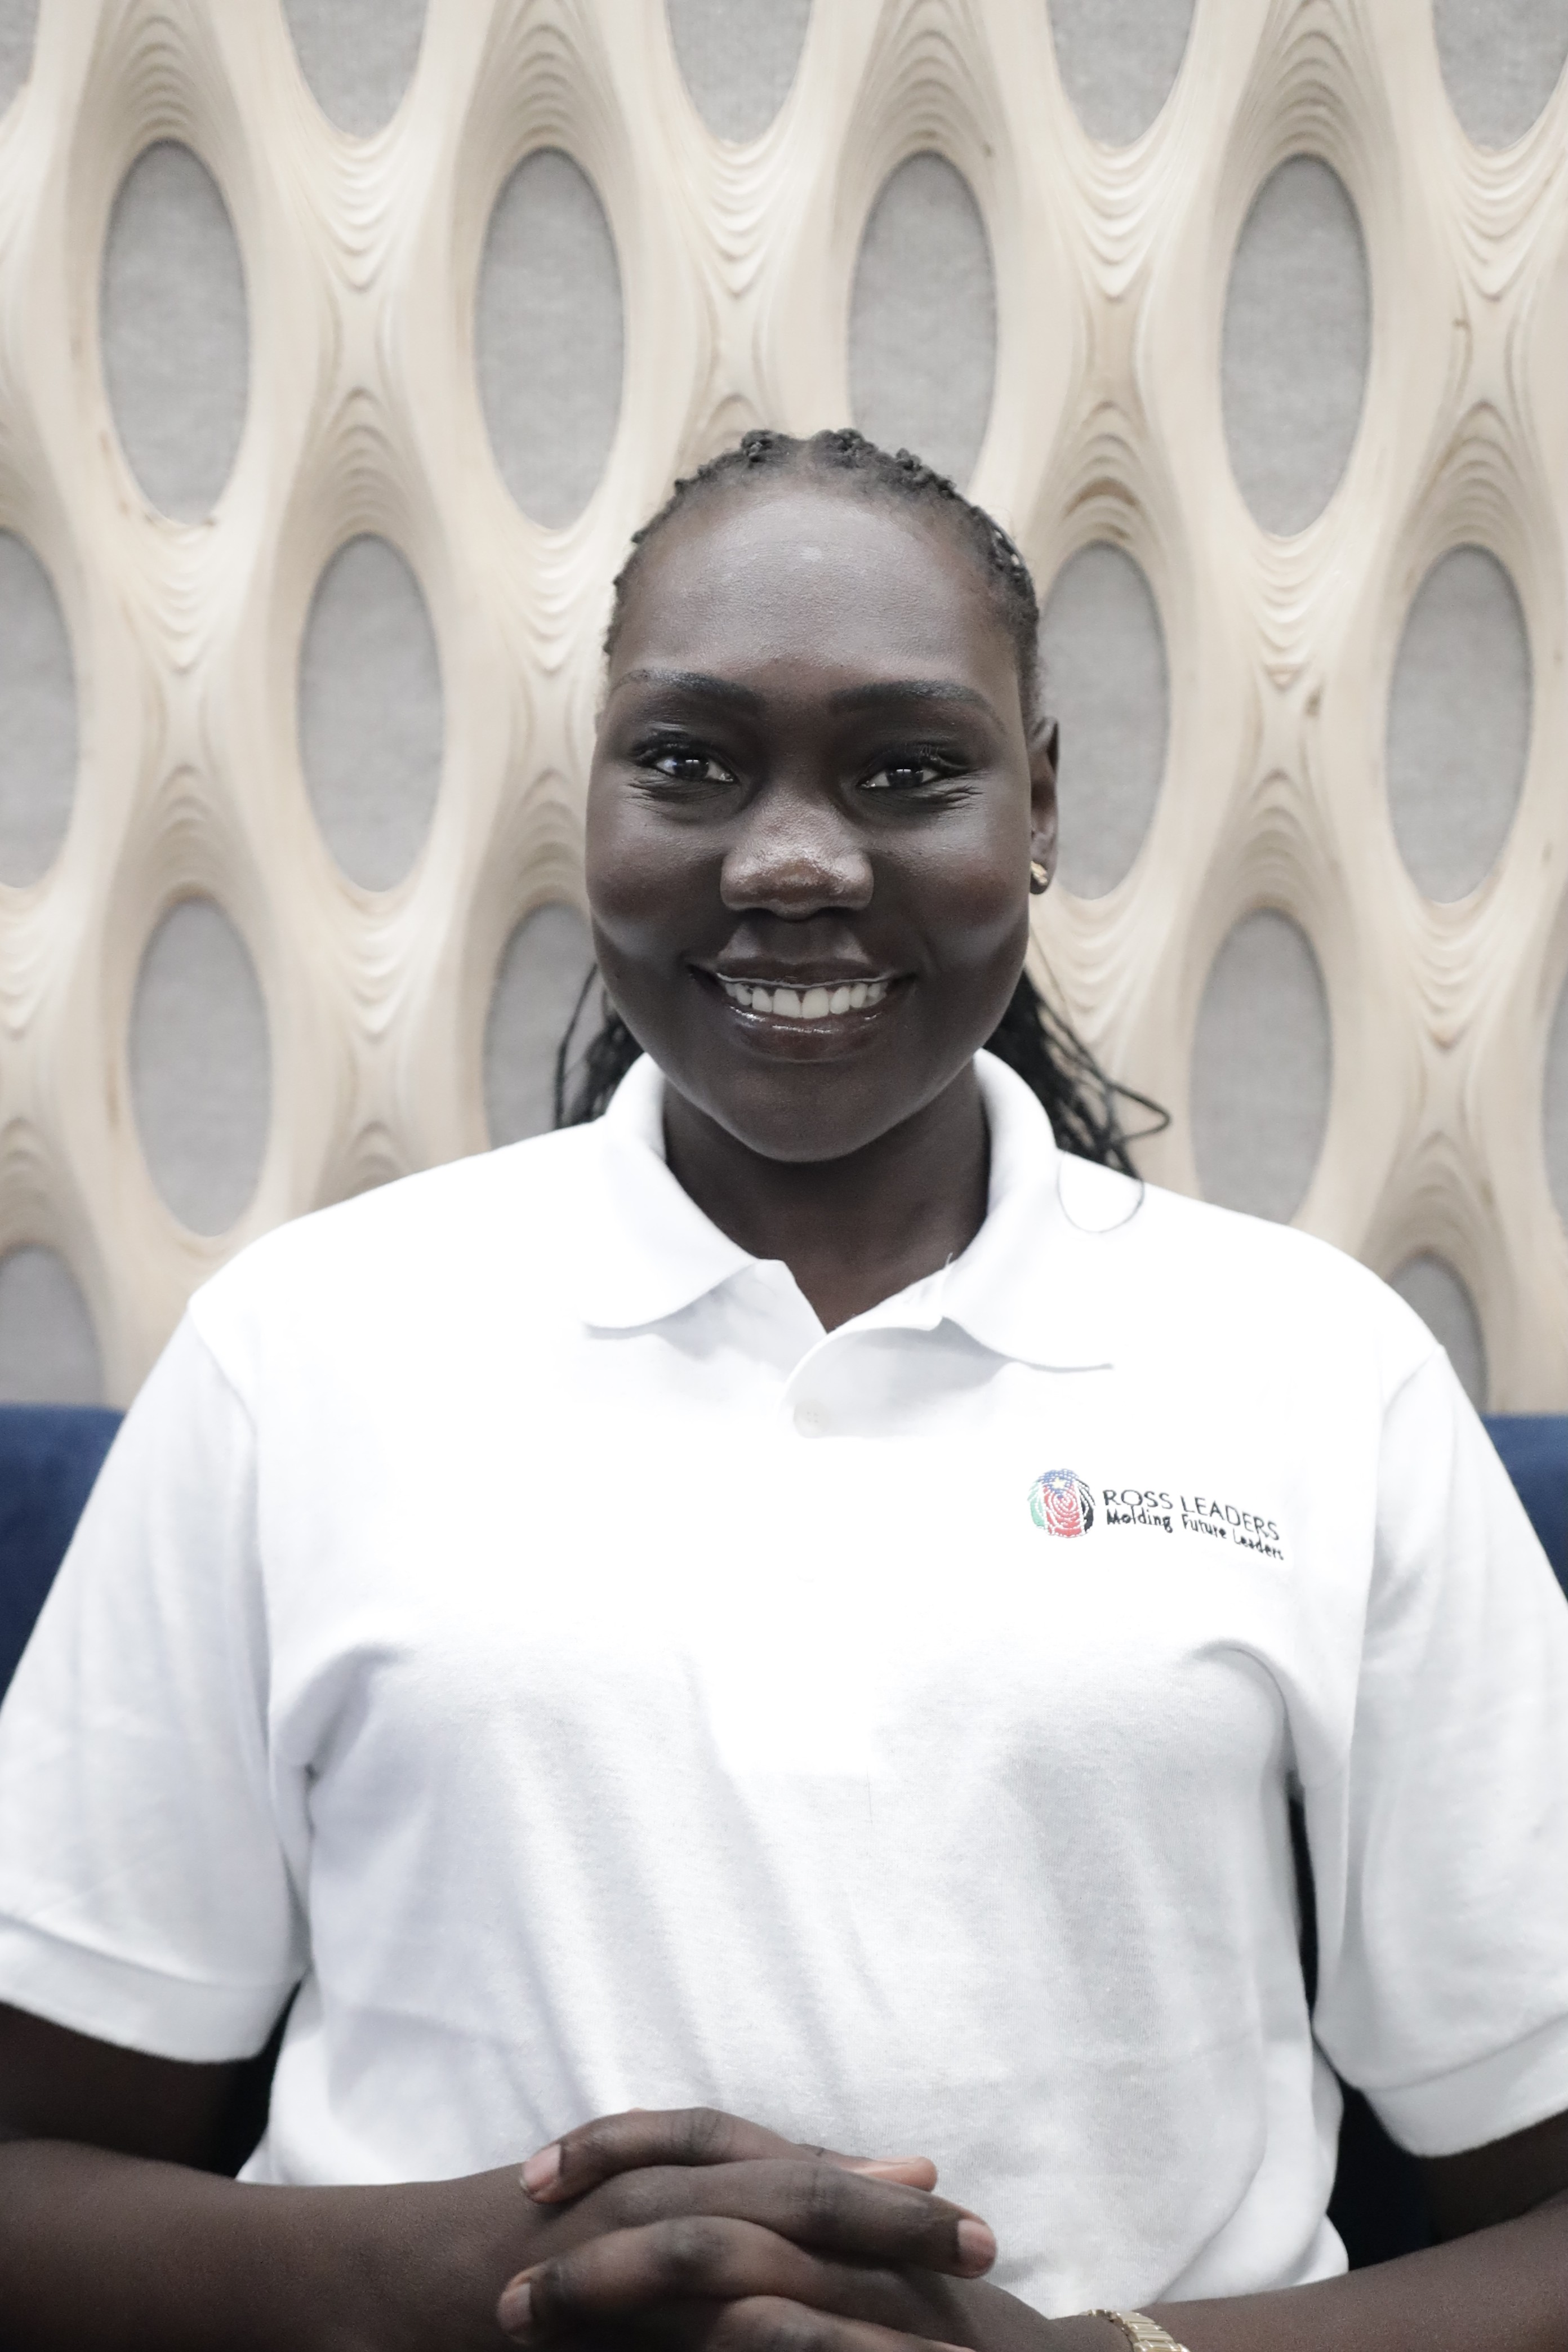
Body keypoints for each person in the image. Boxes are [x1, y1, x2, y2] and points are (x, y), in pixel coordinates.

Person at [1, 427, 1566, 2352]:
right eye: (691, 761)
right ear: (598, 801)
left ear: (1042, 808)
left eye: (909, 771)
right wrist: (470, 2274)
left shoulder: (1320, 1377)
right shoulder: (303, 1352)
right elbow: (38, 2178)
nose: (797, 859)